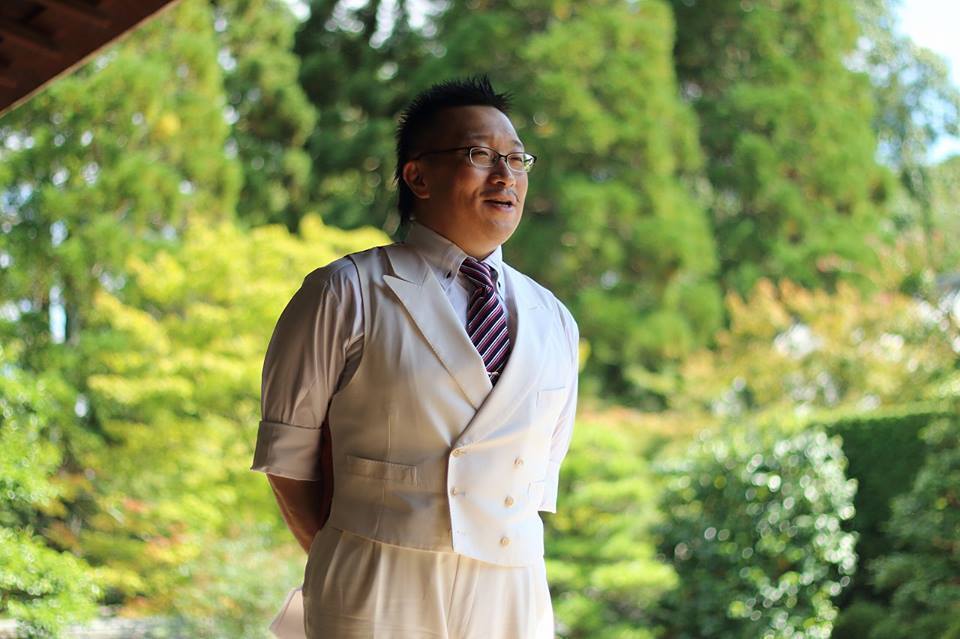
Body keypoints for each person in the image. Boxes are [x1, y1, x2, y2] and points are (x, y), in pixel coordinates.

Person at [250, 74, 579, 639]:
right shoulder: (344, 292)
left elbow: (538, 476)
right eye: (480, 155)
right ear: (418, 176)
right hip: (376, 583)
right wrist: (352, 554)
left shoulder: (555, 321)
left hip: (514, 593)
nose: (505, 176)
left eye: (517, 159)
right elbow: (287, 460)